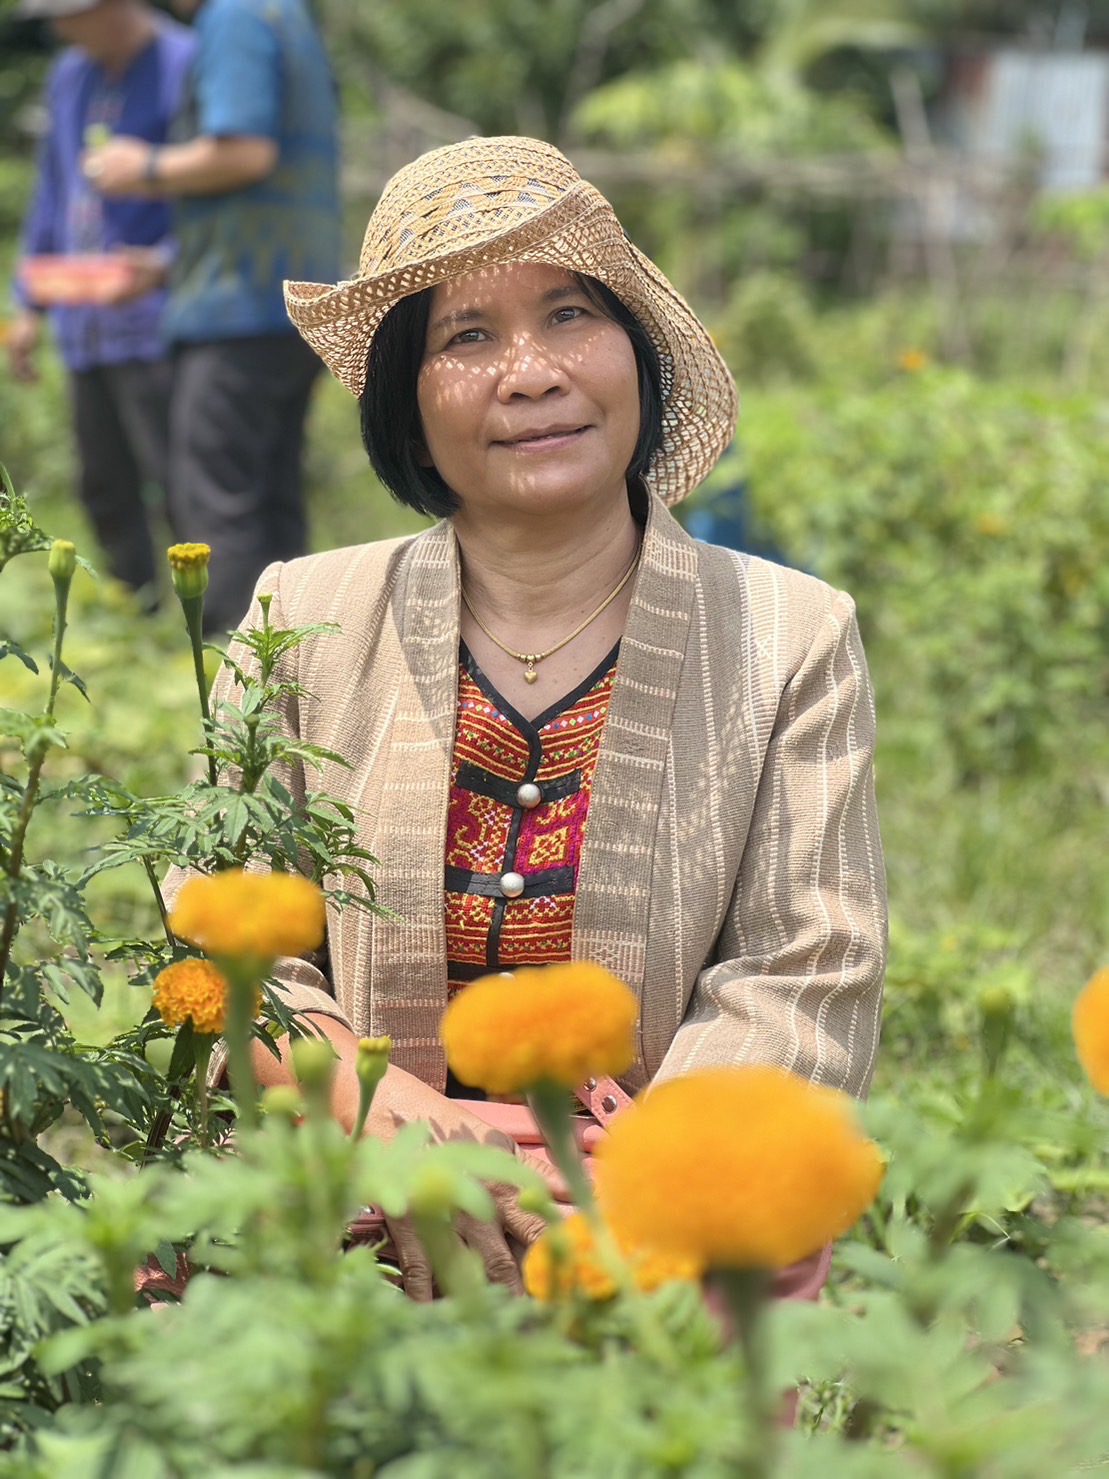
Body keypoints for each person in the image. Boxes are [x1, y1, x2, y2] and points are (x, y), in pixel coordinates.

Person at [186, 137, 888, 1299]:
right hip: (357, 1177)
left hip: (658, 1192)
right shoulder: (299, 618)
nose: (530, 374)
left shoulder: (788, 634)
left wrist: (628, 1187)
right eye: (467, 337)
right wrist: (375, 1112)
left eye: (568, 316)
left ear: (637, 354)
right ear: (406, 406)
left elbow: (803, 971)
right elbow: (228, 949)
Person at [81, 0, 341, 633]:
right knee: (270, 500)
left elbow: (245, 153)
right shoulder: (282, 13)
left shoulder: (234, 17)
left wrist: (140, 166)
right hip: (288, 304)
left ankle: (237, 677)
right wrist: (166, 265)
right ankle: (295, 669)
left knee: (215, 502)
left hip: (238, 312)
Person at [8, 0, 195, 610]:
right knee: (103, 483)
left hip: (160, 321)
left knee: (178, 478)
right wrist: (27, 303)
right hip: (83, 323)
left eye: (70, 13)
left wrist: (165, 259)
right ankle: (135, 612)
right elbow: (51, 195)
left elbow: (214, 189)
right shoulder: (70, 74)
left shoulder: (184, 62)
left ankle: (204, 616)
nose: (59, 27)